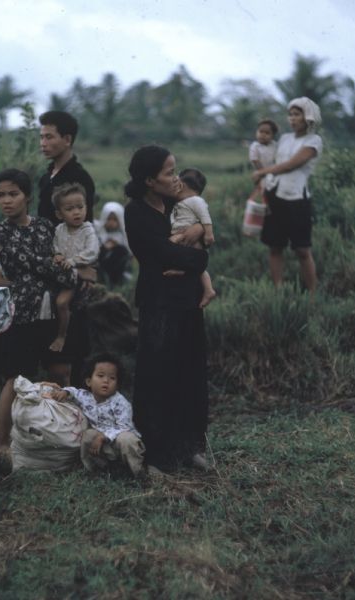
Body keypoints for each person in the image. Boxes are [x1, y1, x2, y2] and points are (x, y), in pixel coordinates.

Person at [0, 168, 93, 455]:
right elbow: (34, 265)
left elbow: (57, 259)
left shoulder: (46, 227)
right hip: (21, 314)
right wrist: (70, 274)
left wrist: (65, 268)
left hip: (53, 314)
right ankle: (2, 443)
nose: (7, 201)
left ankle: (68, 437)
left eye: (13, 194)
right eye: (1, 195)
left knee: (61, 372)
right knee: (15, 378)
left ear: (28, 197)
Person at [124, 145, 210, 475]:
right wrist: (194, 256)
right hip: (159, 304)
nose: (176, 178)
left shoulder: (178, 205)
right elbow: (161, 255)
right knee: (157, 375)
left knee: (190, 373)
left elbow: (201, 251)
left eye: (175, 170)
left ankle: (188, 446)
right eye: (169, 172)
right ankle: (155, 454)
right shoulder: (136, 213)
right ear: (149, 180)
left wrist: (196, 245)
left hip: (187, 300)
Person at [252, 97, 322, 295]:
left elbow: (291, 164)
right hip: (275, 196)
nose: (292, 119)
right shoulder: (284, 139)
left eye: (297, 114)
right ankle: (278, 290)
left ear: (307, 116)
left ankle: (313, 294)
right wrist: (260, 172)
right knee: (275, 246)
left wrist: (263, 172)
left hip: (297, 200)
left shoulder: (313, 141)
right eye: (290, 114)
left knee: (302, 249)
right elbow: (268, 158)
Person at [48, 353, 145, 477]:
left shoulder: (120, 402)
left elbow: (124, 426)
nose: (106, 381)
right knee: (88, 435)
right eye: (100, 376)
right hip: (101, 444)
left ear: (118, 385)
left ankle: (139, 473)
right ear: (89, 381)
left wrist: (102, 437)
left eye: (112, 378)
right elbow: (75, 392)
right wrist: (66, 392)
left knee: (127, 439)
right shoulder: (85, 396)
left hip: (119, 440)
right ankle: (96, 470)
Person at [50, 182, 99, 352]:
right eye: (70, 209)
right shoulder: (59, 229)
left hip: (76, 273)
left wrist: (72, 260)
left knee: (62, 302)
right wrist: (57, 254)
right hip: (61, 274)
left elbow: (92, 251)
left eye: (80, 206)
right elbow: (55, 246)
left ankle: (61, 336)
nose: (77, 212)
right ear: (59, 213)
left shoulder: (87, 229)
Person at [38, 110, 95, 225]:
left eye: (49, 137)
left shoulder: (80, 178)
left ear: (67, 140)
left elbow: (85, 225)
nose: (43, 143)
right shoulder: (46, 177)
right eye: (42, 137)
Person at [171, 168, 216, 308]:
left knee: (196, 264)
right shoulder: (180, 202)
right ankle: (207, 288)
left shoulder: (195, 200)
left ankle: (207, 289)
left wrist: (208, 233)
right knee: (193, 263)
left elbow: (205, 217)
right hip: (183, 233)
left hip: (192, 237)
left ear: (181, 185)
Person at [95, 201, 132, 286]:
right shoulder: (100, 232)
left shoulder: (122, 235)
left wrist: (116, 245)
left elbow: (127, 249)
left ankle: (116, 280)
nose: (111, 222)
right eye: (109, 219)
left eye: (115, 219)